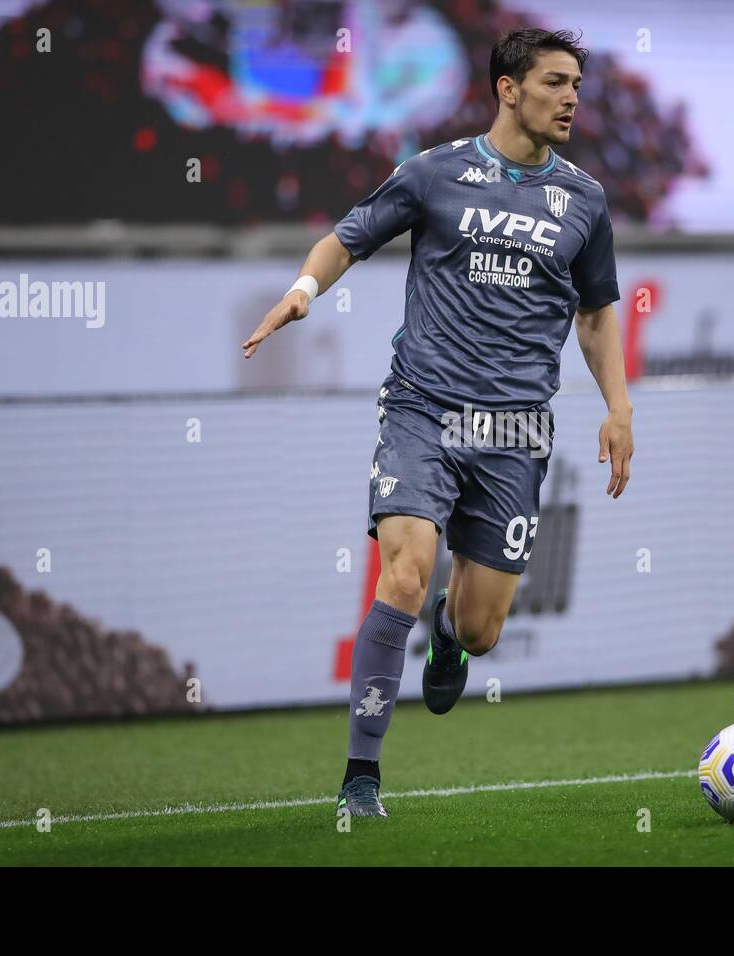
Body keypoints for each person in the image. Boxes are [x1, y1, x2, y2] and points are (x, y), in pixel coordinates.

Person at [244, 28, 633, 817]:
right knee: (404, 572)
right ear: (508, 88)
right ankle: (361, 778)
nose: (571, 100)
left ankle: (451, 637)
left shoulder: (585, 200)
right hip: (423, 409)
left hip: (518, 430)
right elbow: (347, 238)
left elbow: (596, 317)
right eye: (555, 83)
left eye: (577, 87)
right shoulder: (434, 173)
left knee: (483, 628)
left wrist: (619, 409)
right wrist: (303, 291)